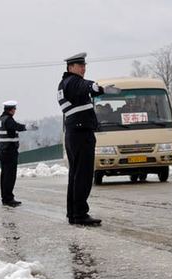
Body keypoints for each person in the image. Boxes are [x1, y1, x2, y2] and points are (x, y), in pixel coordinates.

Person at [57, 52, 120, 226]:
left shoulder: (64, 84)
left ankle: (73, 213)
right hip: (81, 133)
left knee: (75, 175)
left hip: (74, 132)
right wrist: (101, 89)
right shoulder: (73, 81)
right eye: (80, 66)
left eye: (85, 65)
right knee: (83, 175)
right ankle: (80, 213)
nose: (84, 68)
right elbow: (87, 86)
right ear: (71, 68)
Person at [0, 100, 37, 207]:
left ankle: (5, 197)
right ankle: (8, 199)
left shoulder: (0, 119)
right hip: (9, 151)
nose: (15, 110)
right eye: (14, 108)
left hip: (3, 151)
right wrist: (28, 127)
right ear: (11, 109)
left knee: (5, 175)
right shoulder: (8, 120)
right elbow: (16, 126)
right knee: (10, 176)